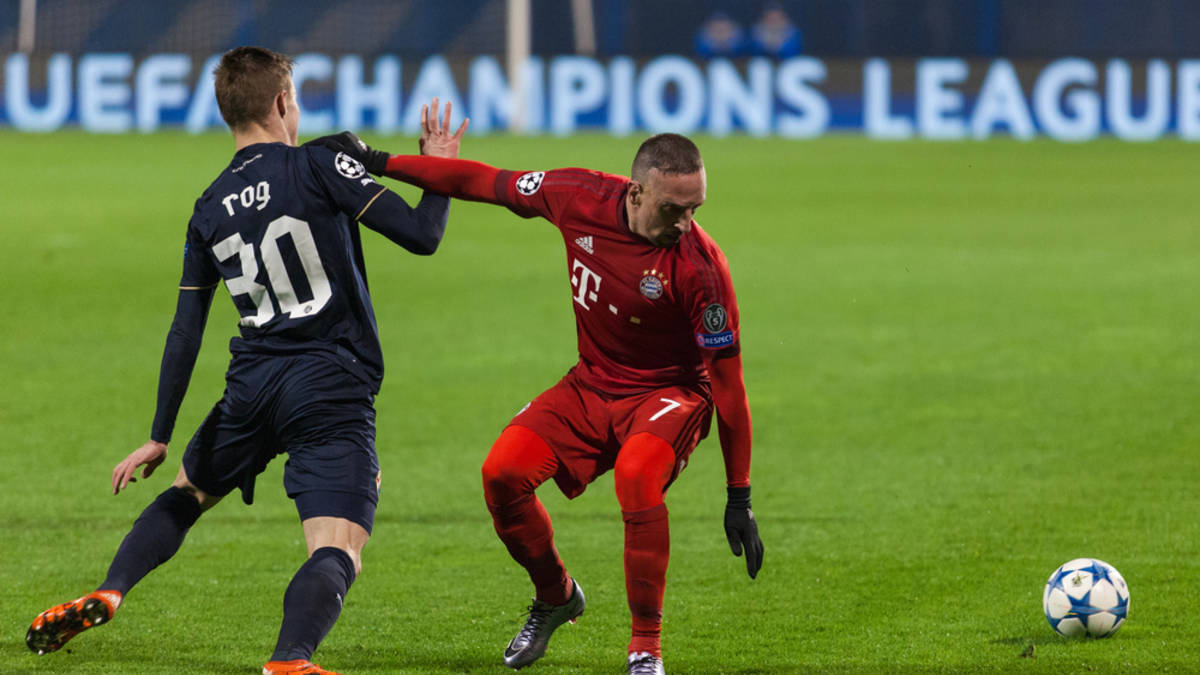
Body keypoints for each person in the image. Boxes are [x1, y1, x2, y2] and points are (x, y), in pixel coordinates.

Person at [24, 47, 463, 675]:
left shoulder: (209, 204)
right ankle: (290, 659)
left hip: (251, 386)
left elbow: (186, 329)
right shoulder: (319, 163)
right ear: (283, 102)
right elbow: (423, 235)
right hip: (329, 385)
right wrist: (439, 169)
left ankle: (111, 589)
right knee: (338, 546)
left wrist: (159, 435)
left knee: (186, 493)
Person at [313, 116, 764, 675]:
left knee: (637, 475)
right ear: (636, 192)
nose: (685, 223)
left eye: (695, 209)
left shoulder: (702, 270)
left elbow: (729, 388)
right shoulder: (578, 195)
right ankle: (556, 595)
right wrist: (377, 161)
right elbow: (483, 182)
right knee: (502, 473)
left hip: (669, 393)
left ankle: (645, 648)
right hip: (594, 382)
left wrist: (739, 495)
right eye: (674, 209)